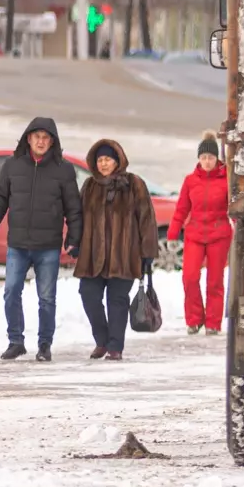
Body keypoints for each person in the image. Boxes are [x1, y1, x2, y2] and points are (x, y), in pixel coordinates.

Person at [0, 118, 83, 362]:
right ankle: (15, 341)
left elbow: (74, 208)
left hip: (47, 246)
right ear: (28, 138)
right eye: (36, 136)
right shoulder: (12, 165)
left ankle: (44, 345)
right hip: (18, 244)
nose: (40, 141)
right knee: (11, 293)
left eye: (45, 137)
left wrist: (74, 237)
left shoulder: (64, 169)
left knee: (47, 298)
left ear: (52, 141)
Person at [75, 140, 158, 361]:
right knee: (88, 295)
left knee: (117, 300)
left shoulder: (134, 184)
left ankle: (115, 347)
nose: (103, 164)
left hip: (124, 254)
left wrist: (147, 252)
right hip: (93, 256)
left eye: (108, 159)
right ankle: (102, 340)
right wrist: (74, 242)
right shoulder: (90, 186)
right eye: (100, 160)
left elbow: (147, 218)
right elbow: (79, 218)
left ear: (117, 160)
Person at [171, 131, 232, 336]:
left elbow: (235, 206)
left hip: (219, 234)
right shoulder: (190, 181)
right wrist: (173, 231)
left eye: (211, 158)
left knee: (215, 281)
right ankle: (194, 319)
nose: (207, 162)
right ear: (199, 159)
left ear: (217, 159)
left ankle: (213, 322)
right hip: (195, 234)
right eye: (204, 158)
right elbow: (181, 208)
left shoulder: (226, 180)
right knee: (189, 277)